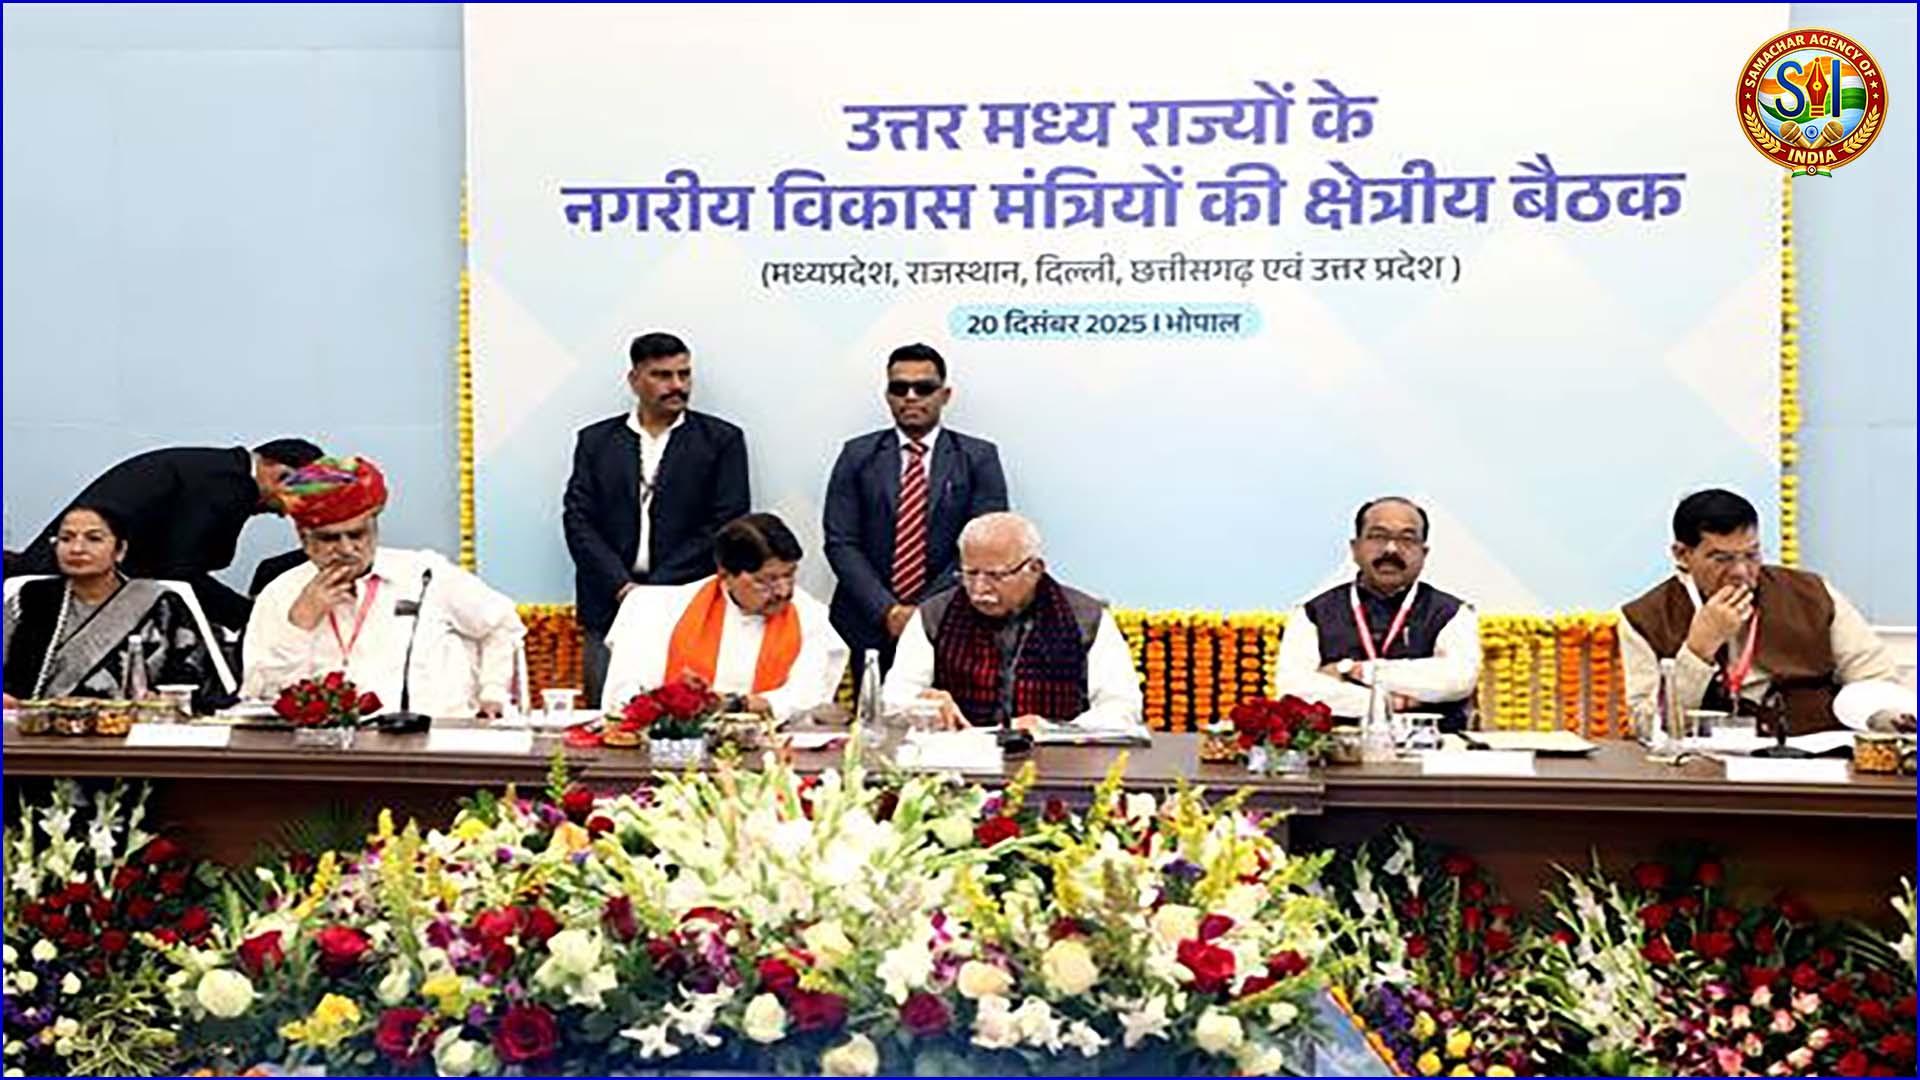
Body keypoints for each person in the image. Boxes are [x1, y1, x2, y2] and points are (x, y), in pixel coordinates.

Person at [243, 456, 526, 718]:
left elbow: (502, 625)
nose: (347, 549)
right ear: (305, 539)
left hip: (435, 739)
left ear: (375, 529)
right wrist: (300, 624)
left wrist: (492, 693)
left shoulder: (425, 574)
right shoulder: (281, 593)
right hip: (323, 747)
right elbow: (265, 695)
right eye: (330, 539)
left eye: (357, 534)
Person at [1618, 488, 1908, 734]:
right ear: (1682, 555)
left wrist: (1886, 716)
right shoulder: (1643, 618)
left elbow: (1874, 678)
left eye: (1751, 555)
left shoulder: (1812, 593)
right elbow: (1647, 727)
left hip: (1815, 758)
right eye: (1722, 559)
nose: (1741, 572)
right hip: (1704, 768)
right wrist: (1698, 650)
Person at [564, 331, 749, 705]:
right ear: (634, 380)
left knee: (689, 714)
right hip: (611, 602)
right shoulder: (596, 441)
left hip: (687, 600)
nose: (677, 385)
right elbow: (579, 521)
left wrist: (654, 593)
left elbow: (726, 523)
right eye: (662, 375)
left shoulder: (720, 440)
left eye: (684, 374)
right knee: (607, 717)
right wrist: (622, 586)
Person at [825, 343, 1008, 687]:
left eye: (923, 388)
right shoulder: (856, 455)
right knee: (868, 714)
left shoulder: (978, 457)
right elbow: (841, 543)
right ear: (887, 395)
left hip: (951, 618)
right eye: (899, 388)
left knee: (944, 713)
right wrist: (887, 610)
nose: (910, 397)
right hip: (866, 619)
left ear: (945, 395)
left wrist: (923, 612)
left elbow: (984, 549)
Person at [10, 439, 324, 631]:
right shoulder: (229, 484)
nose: (290, 511)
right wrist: (254, 619)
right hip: (62, 588)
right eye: (299, 494)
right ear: (276, 472)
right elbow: (181, 572)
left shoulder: (214, 469)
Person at [882, 512, 1142, 734]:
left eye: (995, 576)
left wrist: (1051, 728)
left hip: (1058, 762)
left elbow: (1122, 707)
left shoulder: (1086, 618)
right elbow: (892, 700)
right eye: (970, 573)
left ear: (1035, 569)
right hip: (958, 762)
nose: (979, 589)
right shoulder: (933, 615)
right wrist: (922, 706)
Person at [600, 512, 846, 722]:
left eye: (789, 575)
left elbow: (807, 697)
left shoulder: (809, 616)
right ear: (726, 575)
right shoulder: (659, 611)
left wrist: (736, 705)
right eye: (766, 581)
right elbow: (625, 696)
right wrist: (677, 699)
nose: (783, 591)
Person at [1273, 497, 1481, 732]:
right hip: (1339, 746)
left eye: (1407, 539)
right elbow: (1295, 690)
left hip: (1434, 746)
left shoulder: (1452, 612)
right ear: (1355, 548)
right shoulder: (1313, 613)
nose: (1391, 549)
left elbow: (1457, 680)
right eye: (1378, 536)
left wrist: (1354, 671)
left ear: (1424, 553)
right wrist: (1390, 702)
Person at [3, 506, 225, 707]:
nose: (77, 548)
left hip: (134, 727)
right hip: (36, 726)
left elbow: (193, 677)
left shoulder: (159, 602)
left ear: (120, 550)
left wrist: (161, 699)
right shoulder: (32, 598)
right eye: (66, 538)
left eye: (94, 538)